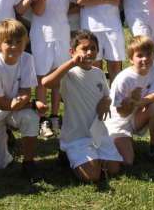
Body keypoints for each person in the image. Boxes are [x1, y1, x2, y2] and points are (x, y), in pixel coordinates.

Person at [42, 30, 122, 182]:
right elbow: (46, 83)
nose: (89, 52)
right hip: (76, 136)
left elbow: (107, 95)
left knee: (114, 169)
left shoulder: (98, 73)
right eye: (84, 49)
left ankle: (94, 159)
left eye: (93, 48)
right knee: (92, 177)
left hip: (97, 133)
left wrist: (106, 102)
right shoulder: (69, 73)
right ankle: (67, 153)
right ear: (72, 52)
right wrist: (71, 62)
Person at [0, 19, 44, 182]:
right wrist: (30, 103)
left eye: (19, 42)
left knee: (31, 117)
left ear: (25, 42)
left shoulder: (27, 59)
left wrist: (24, 101)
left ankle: (28, 163)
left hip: (15, 107)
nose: (14, 46)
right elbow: (1, 104)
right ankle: (5, 134)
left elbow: (26, 90)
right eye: (8, 42)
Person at [28, 0, 74, 138]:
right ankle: (42, 118)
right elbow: (37, 10)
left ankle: (55, 116)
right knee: (41, 79)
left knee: (57, 78)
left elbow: (72, 6)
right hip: (41, 35)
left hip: (62, 35)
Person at [105, 36, 154, 165]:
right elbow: (121, 112)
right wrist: (130, 102)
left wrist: (137, 102)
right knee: (128, 162)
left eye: (149, 54)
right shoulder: (124, 79)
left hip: (136, 114)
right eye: (139, 55)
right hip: (118, 122)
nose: (145, 59)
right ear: (131, 59)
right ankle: (111, 142)